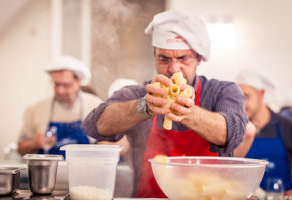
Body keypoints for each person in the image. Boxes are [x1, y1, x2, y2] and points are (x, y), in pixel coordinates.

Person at [82, 10, 248, 198]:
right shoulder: (138, 93)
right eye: (164, 59)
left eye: (183, 58)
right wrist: (144, 107)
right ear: (154, 54)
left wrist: (186, 110)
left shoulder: (222, 92)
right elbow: (96, 124)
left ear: (199, 58)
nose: (173, 68)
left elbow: (233, 133)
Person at [17, 55, 103, 157]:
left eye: (66, 85)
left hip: (85, 171)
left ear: (78, 81)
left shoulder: (96, 106)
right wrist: (34, 144)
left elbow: (110, 145)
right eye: (56, 84)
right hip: (49, 172)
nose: (60, 91)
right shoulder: (36, 109)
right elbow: (20, 149)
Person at [235, 70, 292, 194]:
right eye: (238, 98)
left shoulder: (285, 125)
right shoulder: (236, 127)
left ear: (261, 94)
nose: (241, 104)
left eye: (246, 96)